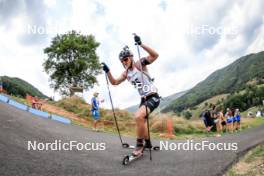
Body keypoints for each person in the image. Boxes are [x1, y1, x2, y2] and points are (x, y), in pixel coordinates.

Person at [102, 34, 160, 156]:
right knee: (141, 122)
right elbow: (114, 82)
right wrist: (108, 72)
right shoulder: (126, 74)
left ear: (131, 58)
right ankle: (148, 143)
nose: (124, 62)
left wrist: (141, 44)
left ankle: (140, 144)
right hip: (143, 99)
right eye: (122, 61)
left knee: (138, 116)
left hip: (153, 96)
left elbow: (155, 55)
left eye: (126, 59)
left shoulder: (140, 64)